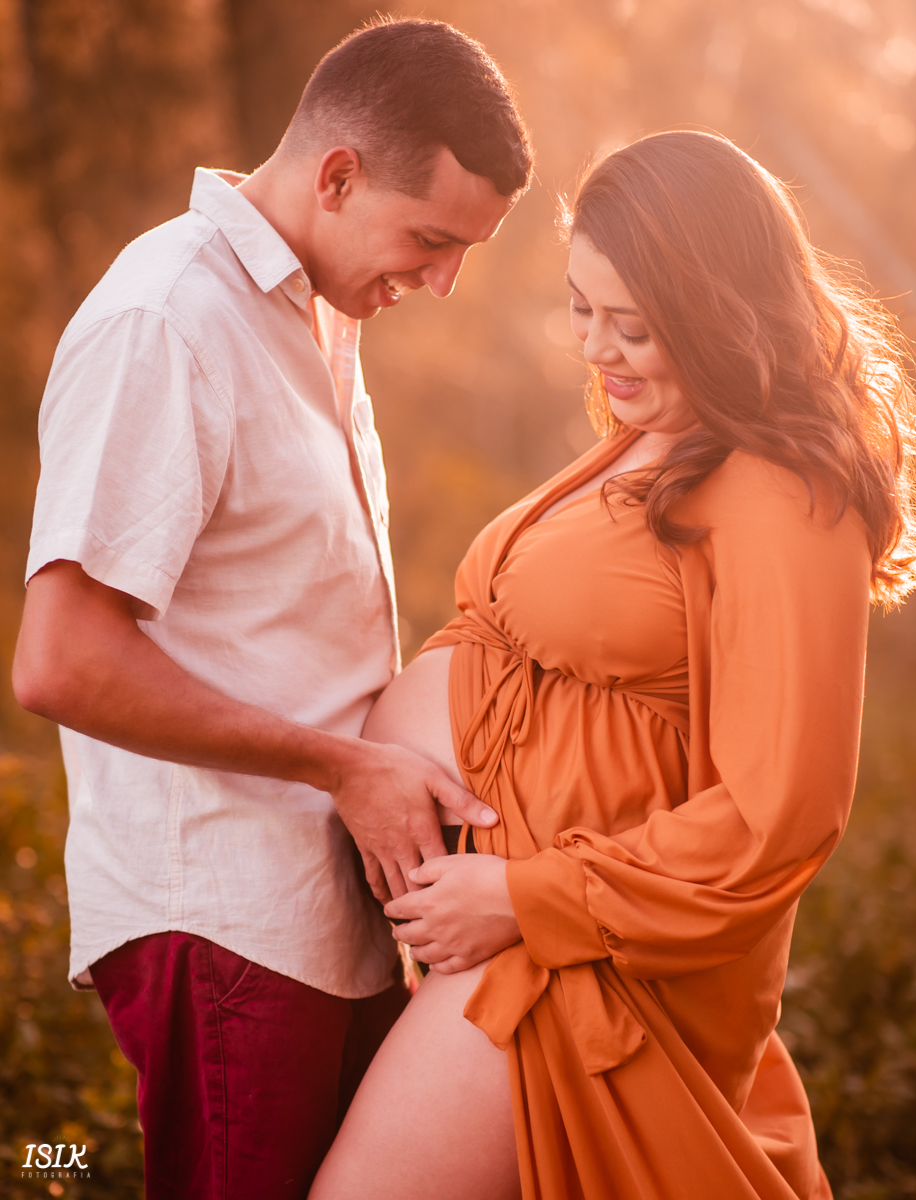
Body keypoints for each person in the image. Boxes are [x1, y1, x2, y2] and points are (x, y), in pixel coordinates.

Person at [309, 131, 916, 1200]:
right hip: (511, 934)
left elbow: (776, 813)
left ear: (718, 309)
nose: (596, 349)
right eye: (579, 307)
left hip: (574, 972)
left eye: (634, 325)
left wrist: (524, 896)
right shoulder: (658, 436)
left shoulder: (785, 492)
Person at [12, 18, 532, 1200]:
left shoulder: (319, 316)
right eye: (432, 239)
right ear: (337, 174)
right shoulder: (168, 318)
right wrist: (343, 768)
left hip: (326, 919)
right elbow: (60, 661)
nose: (442, 282)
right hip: (226, 926)